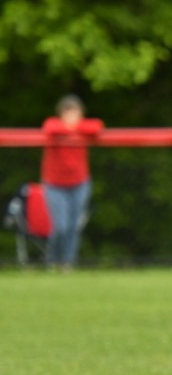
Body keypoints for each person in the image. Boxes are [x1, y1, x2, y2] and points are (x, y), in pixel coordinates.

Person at [41, 94, 104, 270]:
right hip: (55, 185)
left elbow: (97, 127)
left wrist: (75, 128)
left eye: (76, 113)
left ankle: (68, 263)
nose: (72, 117)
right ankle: (52, 259)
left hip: (79, 184)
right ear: (61, 114)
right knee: (60, 226)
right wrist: (71, 129)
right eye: (68, 112)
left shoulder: (83, 128)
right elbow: (49, 128)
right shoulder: (53, 125)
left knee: (74, 226)